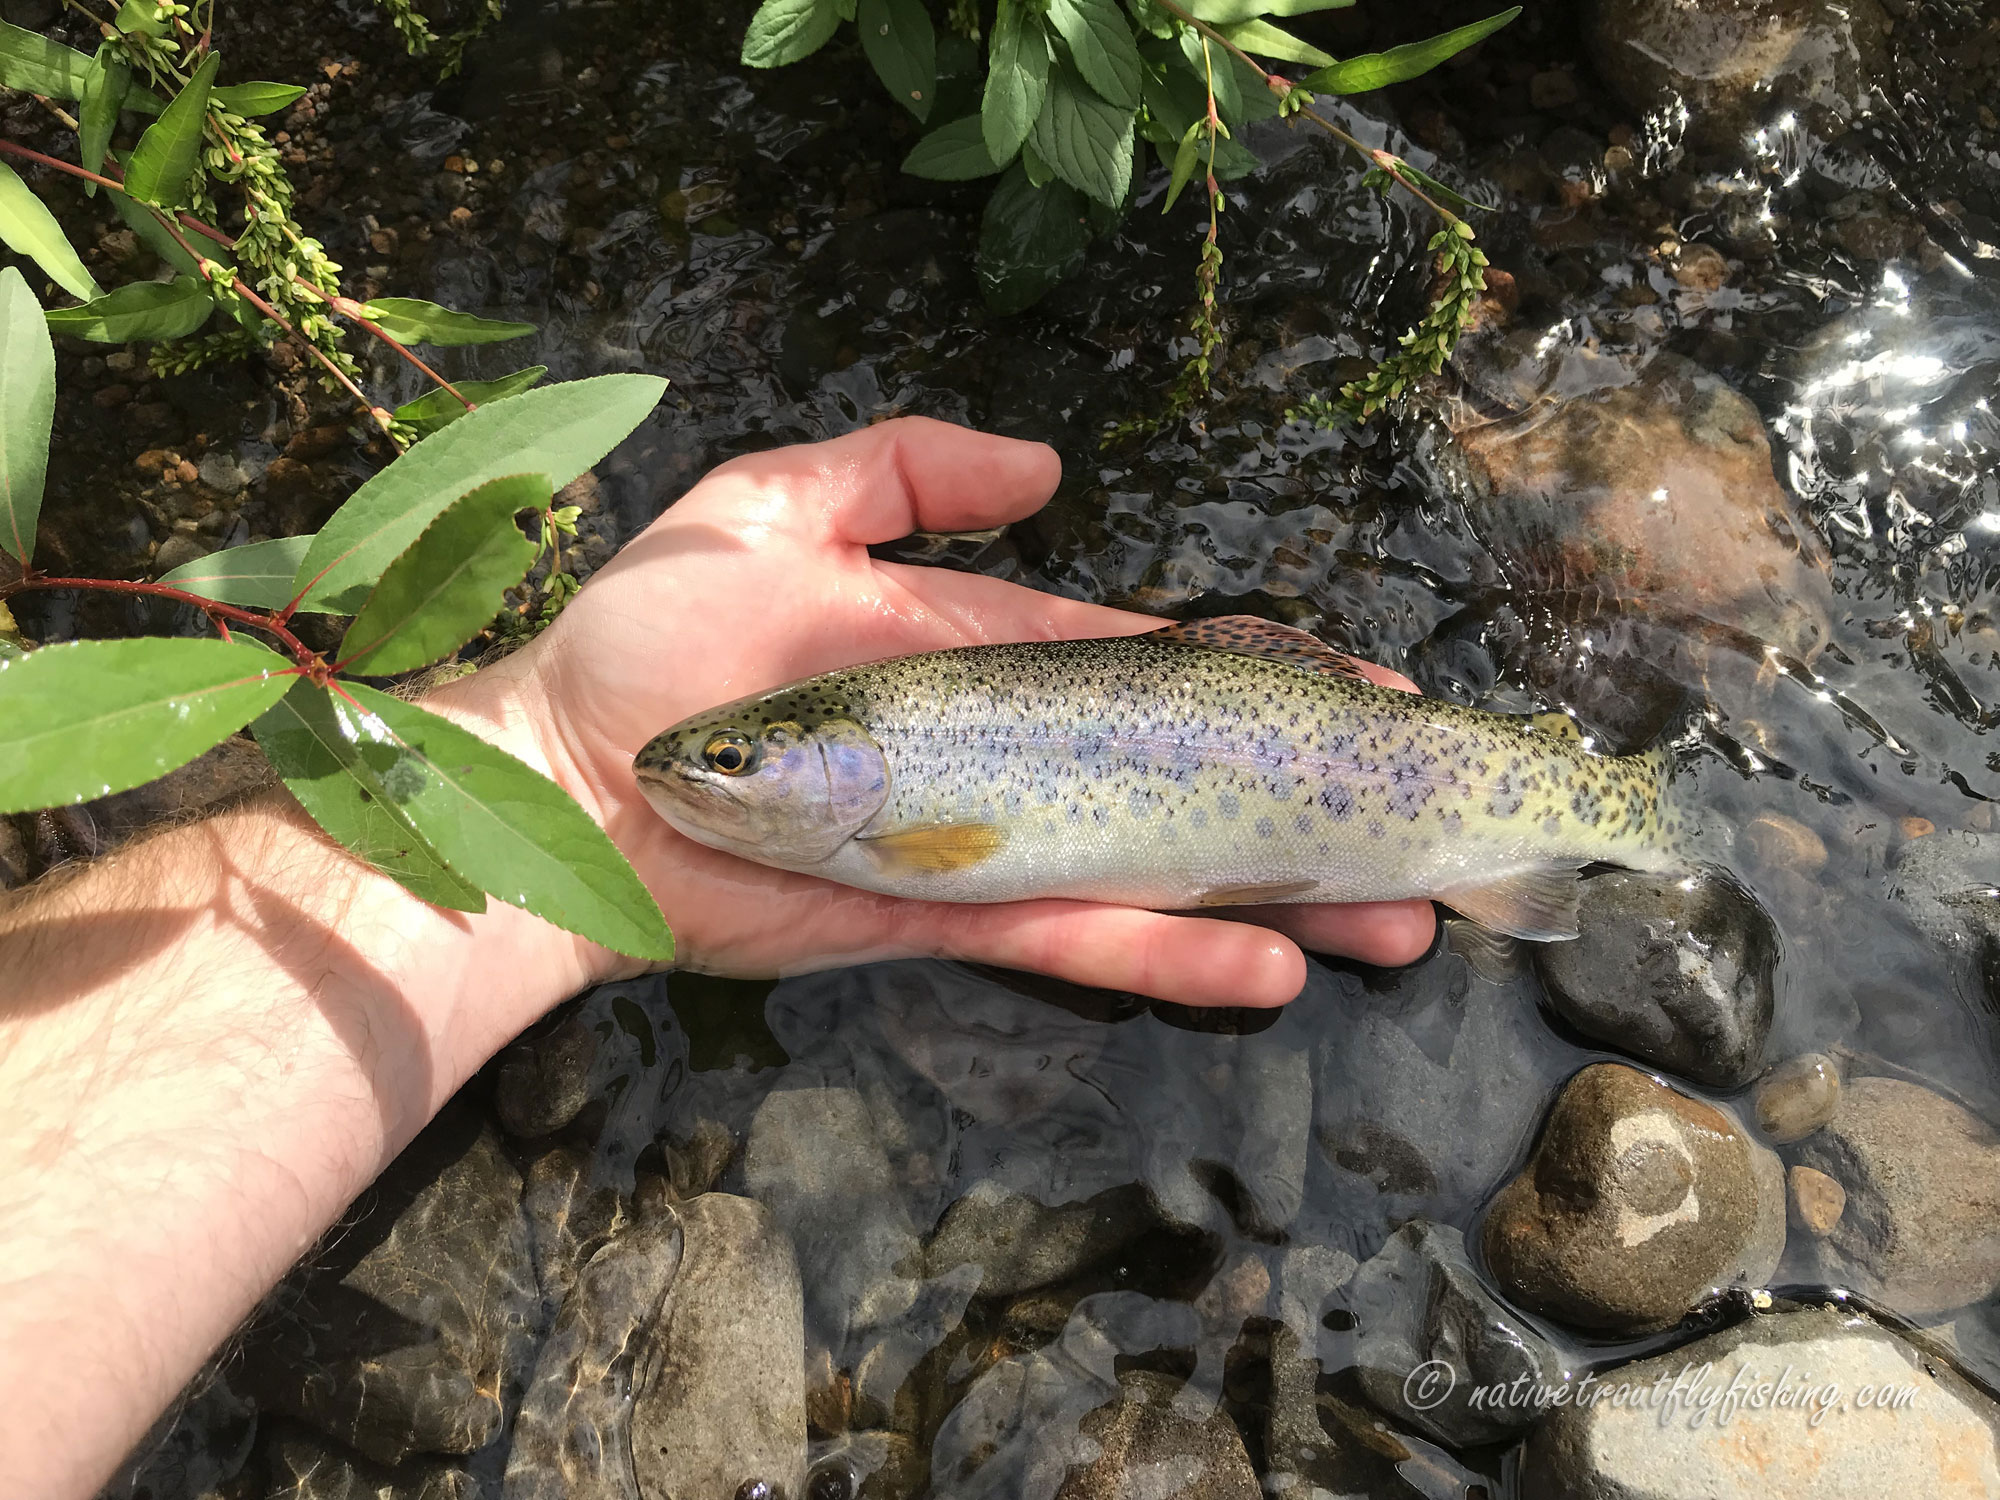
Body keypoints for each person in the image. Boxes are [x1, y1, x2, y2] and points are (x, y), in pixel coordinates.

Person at [0, 419, 1435, 1498]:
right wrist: (543, 753)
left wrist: (533, 753)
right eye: (727, 757)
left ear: (834, 761)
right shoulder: (852, 798)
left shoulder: (891, 786)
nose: (695, 773)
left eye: (738, 761)